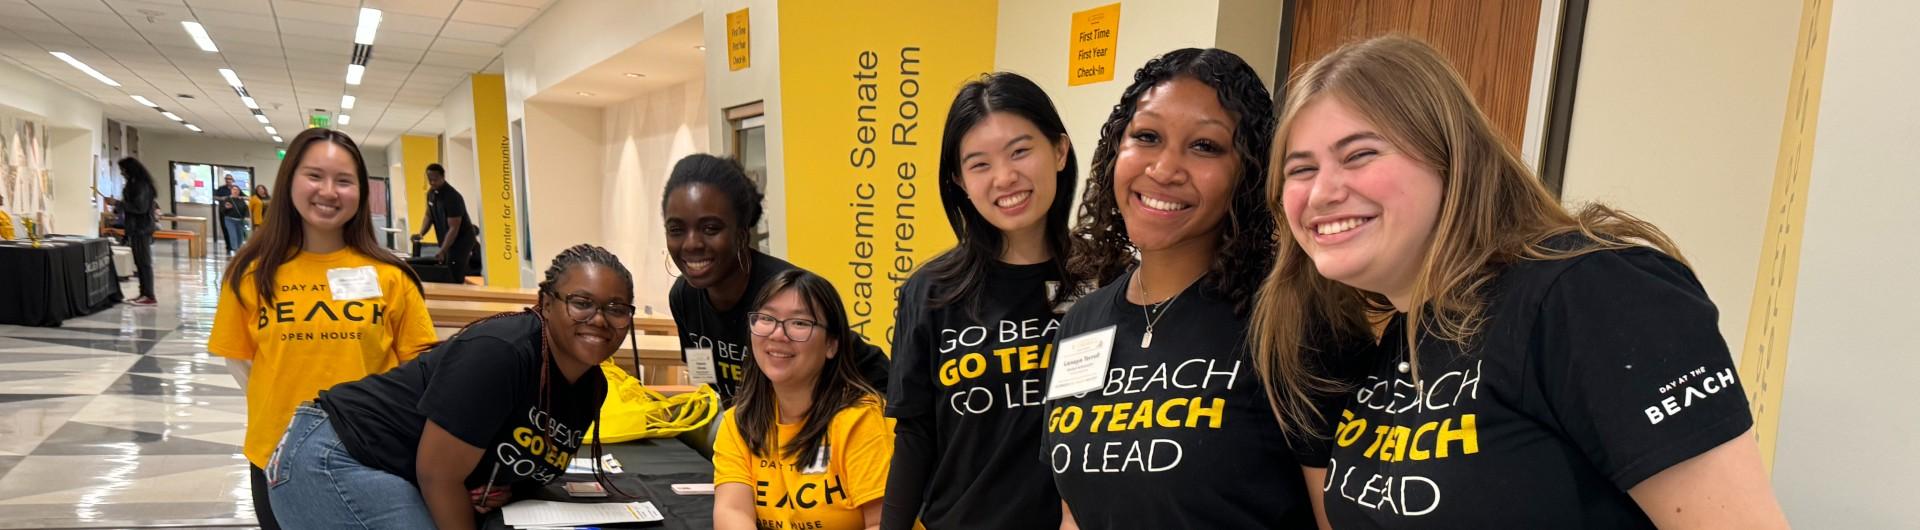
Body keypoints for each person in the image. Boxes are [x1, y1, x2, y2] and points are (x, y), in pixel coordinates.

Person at [1253, 36, 1788, 528]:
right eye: (1301, 170)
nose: (1322, 192)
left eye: (1360, 154)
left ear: (1451, 156)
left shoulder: (1589, 291)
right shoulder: (1408, 328)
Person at [1042, 48, 1311, 529]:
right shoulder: (1081, 324)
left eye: (1205, 146)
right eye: (1147, 137)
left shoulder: (1287, 319)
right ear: (1115, 150)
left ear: (1247, 172)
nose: (1164, 169)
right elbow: (1074, 512)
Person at [267, 245, 633, 529]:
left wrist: (502, 485)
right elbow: (438, 475)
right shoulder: (500, 351)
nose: (599, 319)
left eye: (616, 308)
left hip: (398, 468)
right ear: (545, 304)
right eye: (581, 303)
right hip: (334, 455)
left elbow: (525, 461)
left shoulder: (591, 386)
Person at [208, 127, 437, 529]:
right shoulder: (251, 273)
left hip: (371, 457)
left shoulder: (391, 277)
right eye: (315, 175)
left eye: (344, 181)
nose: (328, 191)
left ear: (361, 192)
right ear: (290, 180)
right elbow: (240, 363)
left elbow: (420, 373)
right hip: (276, 455)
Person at [882, 72, 1079, 530]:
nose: (1005, 177)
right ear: (959, 180)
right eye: (979, 163)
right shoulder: (931, 290)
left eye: (1020, 151)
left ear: (1060, 151)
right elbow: (916, 434)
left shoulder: (1107, 279)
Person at [662, 154, 889, 405]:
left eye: (711, 228)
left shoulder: (789, 294)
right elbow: (709, 379)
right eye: (676, 230)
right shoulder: (684, 297)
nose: (692, 243)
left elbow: (881, 377)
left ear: (741, 234)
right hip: (747, 433)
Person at [713, 269, 897, 530]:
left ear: (832, 344)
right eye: (766, 319)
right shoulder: (739, 422)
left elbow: (882, 524)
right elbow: (732, 511)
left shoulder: (861, 420)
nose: (778, 334)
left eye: (799, 323)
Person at [408, 163, 478, 283]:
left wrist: (443, 250)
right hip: (448, 238)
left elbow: (454, 228)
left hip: (461, 241)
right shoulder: (431, 194)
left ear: (443, 177)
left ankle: (457, 293)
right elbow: (428, 216)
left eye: (435, 179)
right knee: (444, 269)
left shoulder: (452, 197)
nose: (432, 182)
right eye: (430, 180)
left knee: (454, 273)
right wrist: (421, 234)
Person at [118, 158, 160, 306]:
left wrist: (120, 204)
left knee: (144, 262)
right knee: (140, 262)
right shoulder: (135, 184)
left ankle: (149, 294)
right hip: (136, 228)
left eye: (123, 170)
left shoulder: (141, 186)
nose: (122, 173)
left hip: (141, 228)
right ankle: (143, 293)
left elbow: (139, 208)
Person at [214, 173, 250, 253]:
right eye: (227, 179)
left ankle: (237, 247)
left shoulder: (237, 190)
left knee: (239, 234)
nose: (228, 180)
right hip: (226, 214)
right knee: (228, 231)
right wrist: (222, 199)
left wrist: (241, 197)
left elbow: (247, 198)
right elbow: (215, 197)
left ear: (232, 180)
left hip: (239, 218)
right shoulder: (221, 189)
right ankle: (230, 247)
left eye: (230, 179)